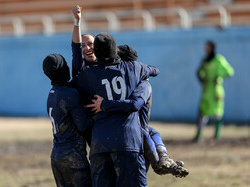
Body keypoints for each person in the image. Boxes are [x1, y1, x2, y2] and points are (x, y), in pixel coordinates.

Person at [72, 5, 188, 178]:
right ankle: (160, 161)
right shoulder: (84, 72)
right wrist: (77, 22)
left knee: (147, 131)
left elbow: (150, 72)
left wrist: (142, 77)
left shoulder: (115, 69)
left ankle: (161, 160)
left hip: (122, 130)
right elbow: (75, 51)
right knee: (145, 133)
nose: (87, 48)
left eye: (91, 44)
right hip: (100, 131)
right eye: (84, 45)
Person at [74, 32, 159, 187]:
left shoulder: (88, 75)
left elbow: (74, 76)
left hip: (99, 145)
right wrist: (147, 73)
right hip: (128, 141)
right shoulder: (134, 68)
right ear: (115, 49)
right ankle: (162, 158)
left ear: (97, 53)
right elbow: (155, 70)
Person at [42, 53, 93, 187]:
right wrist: (101, 112)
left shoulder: (52, 93)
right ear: (62, 70)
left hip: (56, 156)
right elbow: (83, 125)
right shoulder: (70, 94)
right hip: (73, 156)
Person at [194, 40, 234, 142]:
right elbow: (200, 72)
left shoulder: (218, 59)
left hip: (216, 91)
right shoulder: (204, 61)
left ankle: (216, 136)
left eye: (207, 47)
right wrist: (200, 76)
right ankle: (198, 136)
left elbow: (229, 71)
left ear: (212, 48)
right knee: (202, 112)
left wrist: (219, 76)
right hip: (206, 91)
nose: (206, 50)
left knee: (217, 113)